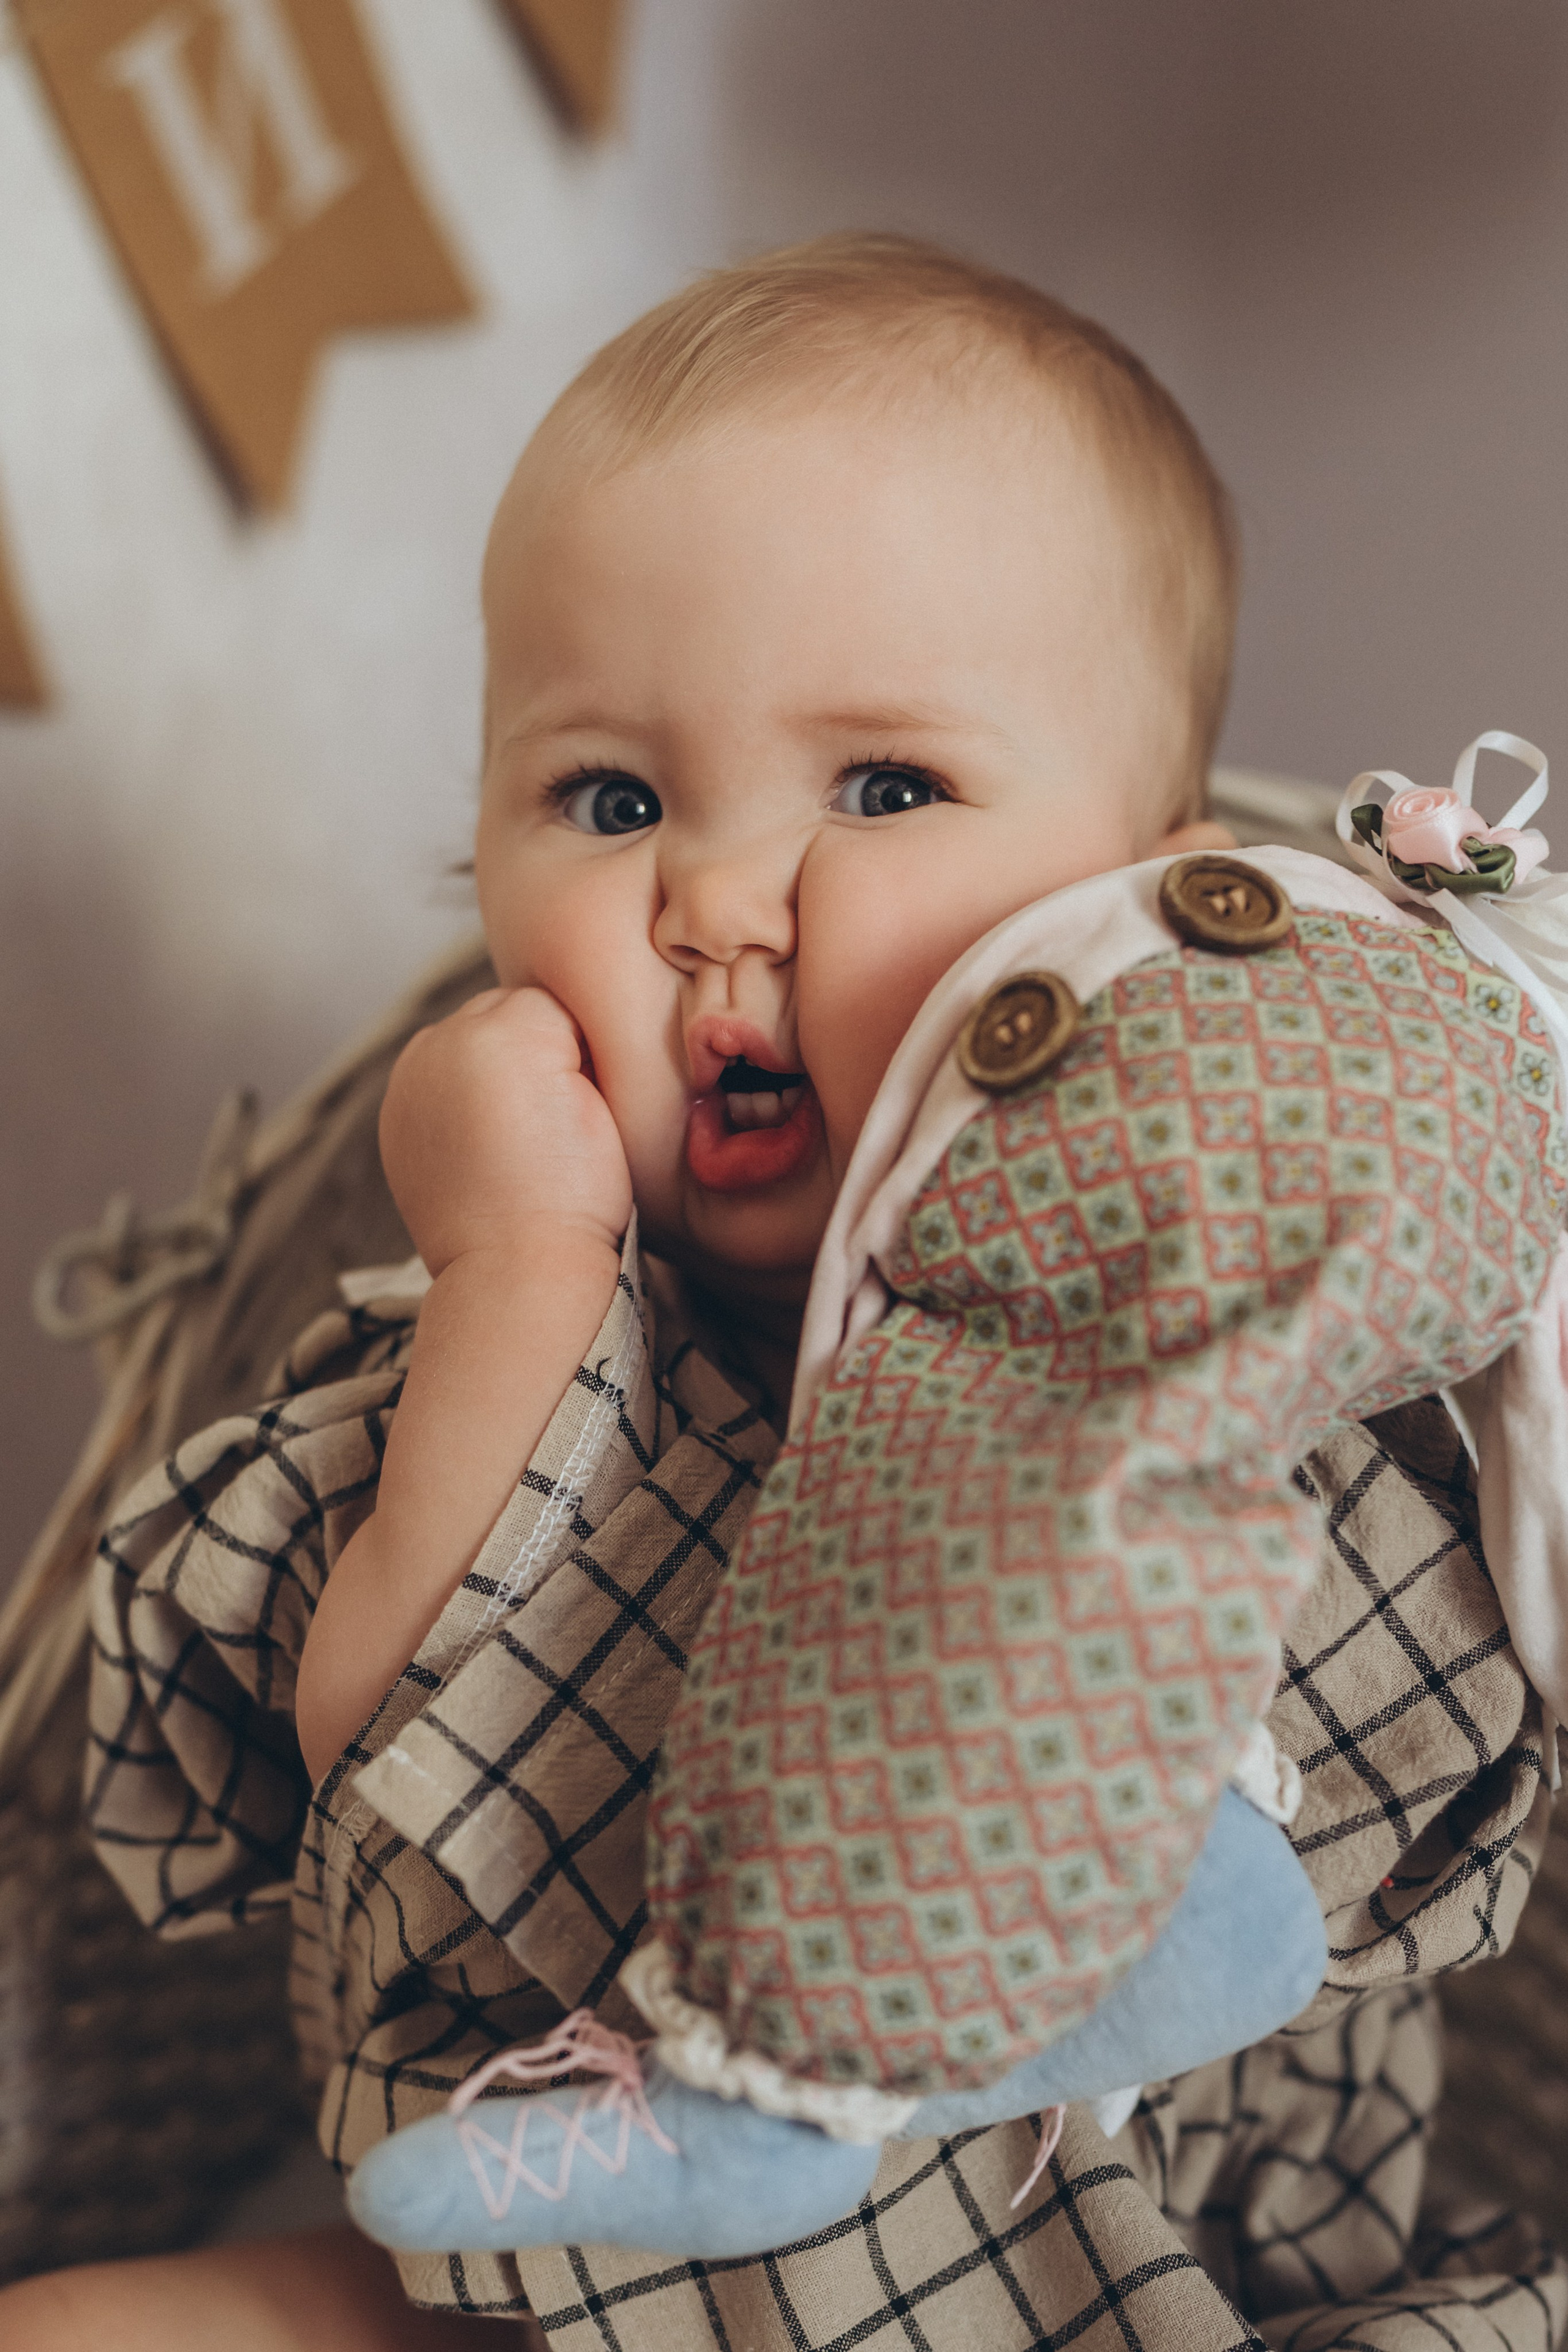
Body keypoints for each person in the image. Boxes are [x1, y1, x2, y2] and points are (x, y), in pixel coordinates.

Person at [31, 236, 1565, 2343]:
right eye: (613, 798)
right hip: (569, 2279)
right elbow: (367, 1744)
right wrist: (525, 1268)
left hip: (1153, 2286)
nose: (711, 902)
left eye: (885, 787)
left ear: (1136, 908)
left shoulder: (1232, 1340)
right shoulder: (490, 1322)